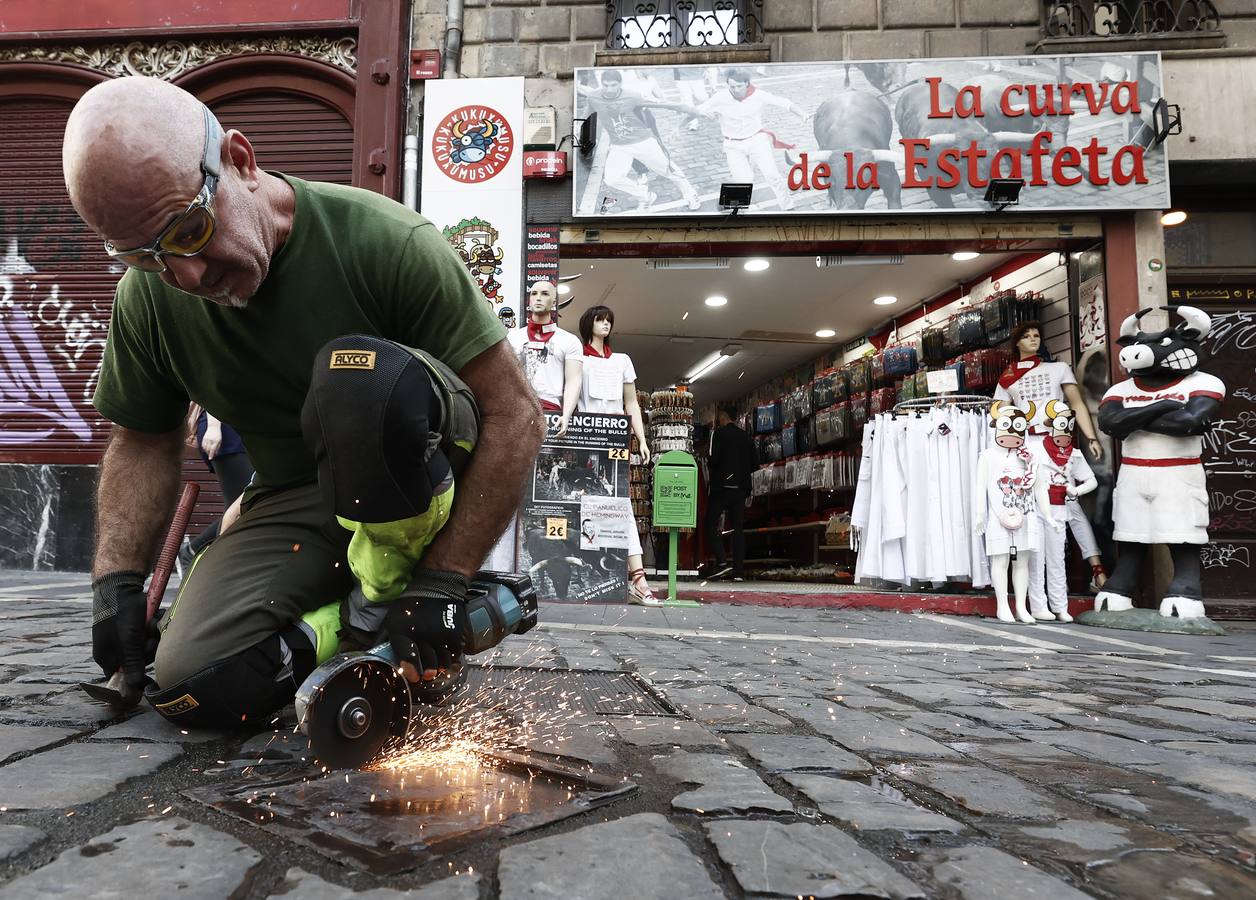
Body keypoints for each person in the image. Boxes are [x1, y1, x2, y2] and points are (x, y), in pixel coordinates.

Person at [63, 76, 543, 727]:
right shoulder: (149, 300)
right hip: (299, 496)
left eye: (190, 229)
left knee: (356, 377)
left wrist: (444, 579)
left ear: (240, 159)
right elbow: (143, 441)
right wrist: (115, 581)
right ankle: (373, 624)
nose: (188, 275)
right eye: (145, 256)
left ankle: (431, 595)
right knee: (194, 684)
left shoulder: (385, 242)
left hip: (427, 473)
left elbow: (516, 414)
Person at [993, 321, 1109, 591]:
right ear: (1017, 343)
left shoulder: (1058, 369)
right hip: (1026, 448)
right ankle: (1033, 580)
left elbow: (1077, 403)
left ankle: (1096, 568)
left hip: (1056, 443)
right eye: (1026, 336)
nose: (1033, 340)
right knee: (1030, 511)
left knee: (1070, 506)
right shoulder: (1008, 376)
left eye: (1036, 336)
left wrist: (1090, 437)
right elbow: (999, 413)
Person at [562, 305, 659, 605]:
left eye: (609, 321)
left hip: (616, 442)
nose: (605, 325)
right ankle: (603, 580)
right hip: (587, 441)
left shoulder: (622, 361)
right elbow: (571, 393)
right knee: (587, 507)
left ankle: (638, 579)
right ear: (588, 323)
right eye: (600, 320)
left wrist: (641, 439)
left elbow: (632, 404)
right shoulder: (578, 358)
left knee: (620, 506)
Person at [577, 70, 702, 212]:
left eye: (613, 85)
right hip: (619, 146)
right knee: (612, 179)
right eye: (605, 85)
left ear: (620, 84)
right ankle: (646, 196)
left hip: (643, 142)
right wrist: (578, 129)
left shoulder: (632, 96)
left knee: (669, 170)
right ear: (601, 84)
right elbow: (585, 116)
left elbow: (660, 104)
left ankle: (691, 195)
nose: (609, 89)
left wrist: (688, 109)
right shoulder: (594, 98)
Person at [692, 68, 808, 211]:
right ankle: (729, 202)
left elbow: (784, 103)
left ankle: (788, 208)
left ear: (747, 83)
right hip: (732, 144)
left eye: (739, 86)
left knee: (773, 176)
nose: (735, 90)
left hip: (756, 140)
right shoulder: (720, 97)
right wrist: (700, 116)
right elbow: (696, 110)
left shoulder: (759, 95)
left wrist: (802, 114)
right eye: (732, 86)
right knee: (743, 181)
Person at [179, 404, 254, 566]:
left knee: (247, 505)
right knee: (244, 505)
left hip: (242, 430)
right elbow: (212, 386)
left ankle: (195, 553)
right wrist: (214, 426)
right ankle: (197, 555)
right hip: (225, 431)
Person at [509, 280, 583, 434]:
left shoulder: (569, 340)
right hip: (517, 409)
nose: (538, 297)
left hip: (551, 411)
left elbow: (574, 381)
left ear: (554, 302)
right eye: (534, 293)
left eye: (545, 294)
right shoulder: (512, 338)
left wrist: (566, 414)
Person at [705, 407, 757, 580]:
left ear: (723, 416)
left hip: (721, 487)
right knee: (738, 528)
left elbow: (714, 459)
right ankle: (739, 571)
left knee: (710, 523)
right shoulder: (747, 437)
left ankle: (721, 562)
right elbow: (755, 464)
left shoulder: (718, 434)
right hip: (740, 488)